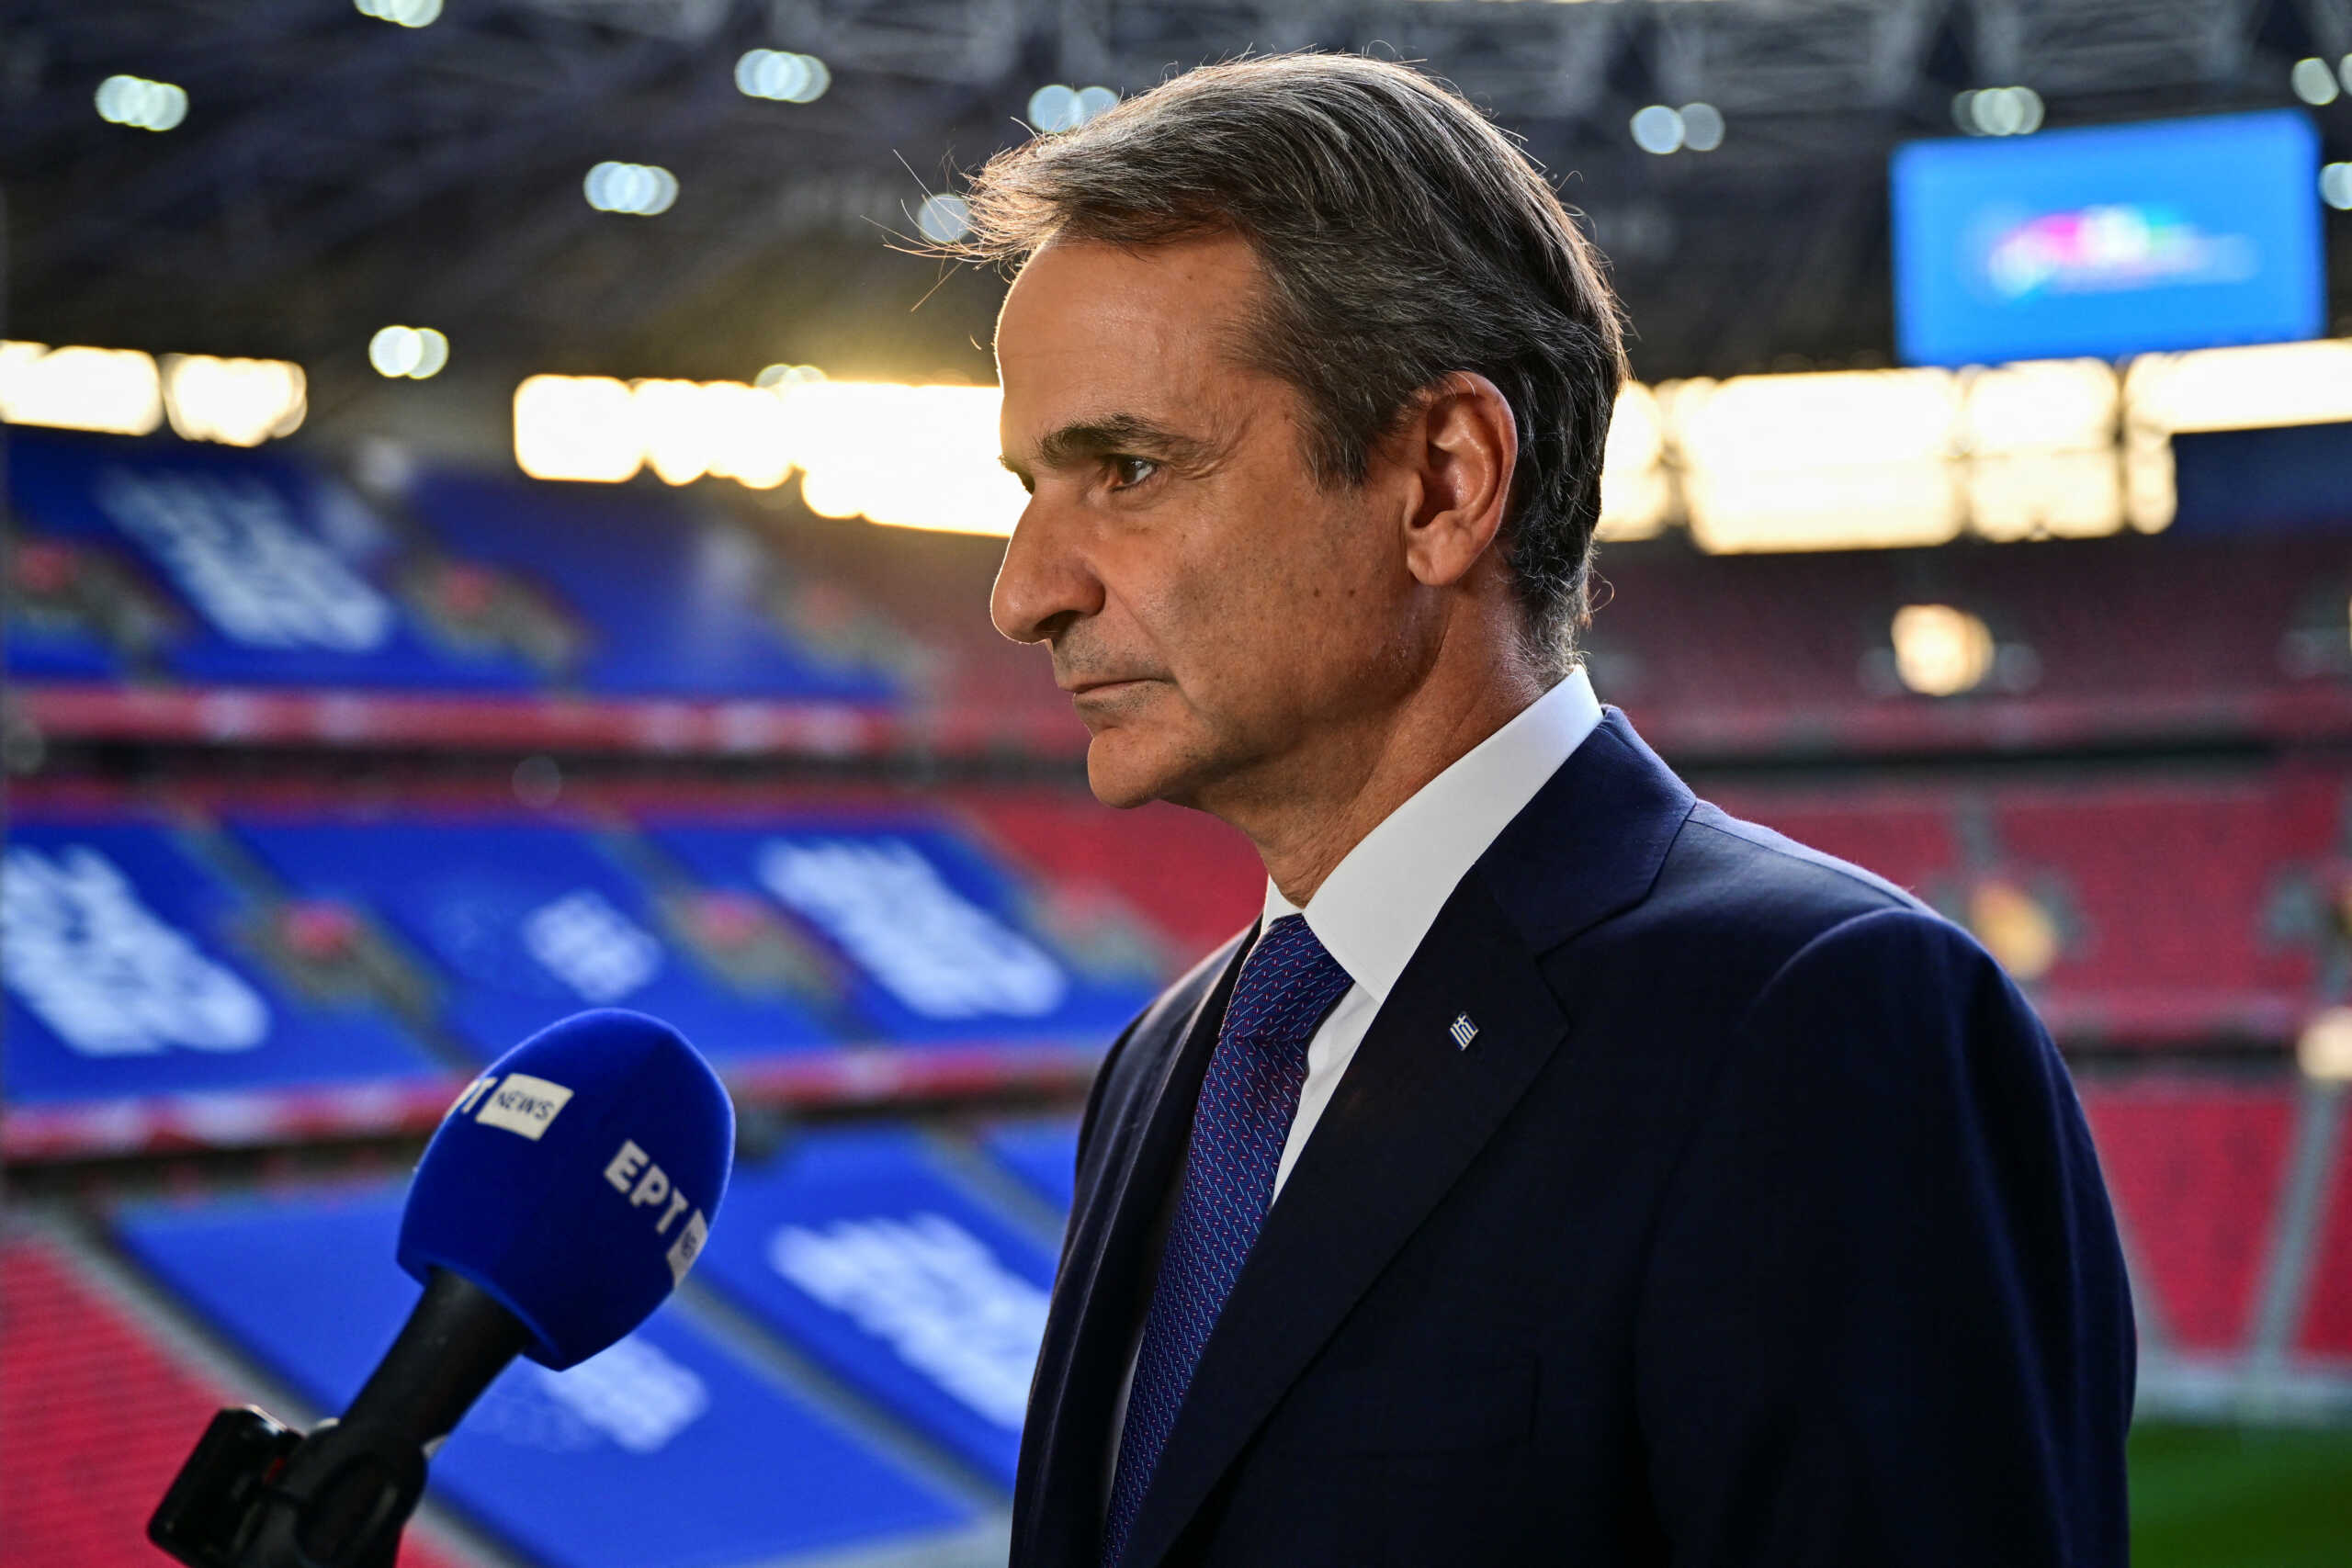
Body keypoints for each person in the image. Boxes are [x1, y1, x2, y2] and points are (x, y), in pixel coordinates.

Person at [959, 52, 2132, 1568]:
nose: (1021, 594)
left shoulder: (1824, 1022)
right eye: (1027, 490)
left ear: (1445, 483)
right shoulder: (1175, 1056)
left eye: (1125, 467)